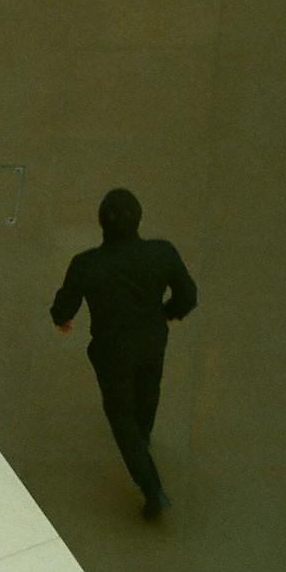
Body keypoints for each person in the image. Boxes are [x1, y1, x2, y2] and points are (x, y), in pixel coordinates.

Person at [48, 188, 198, 519]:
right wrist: (167, 313)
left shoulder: (86, 264)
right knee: (148, 389)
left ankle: (152, 487)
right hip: (152, 340)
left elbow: (64, 308)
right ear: (140, 219)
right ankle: (142, 439)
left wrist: (62, 320)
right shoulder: (162, 253)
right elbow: (188, 294)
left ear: (101, 223)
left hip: (111, 351)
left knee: (120, 415)